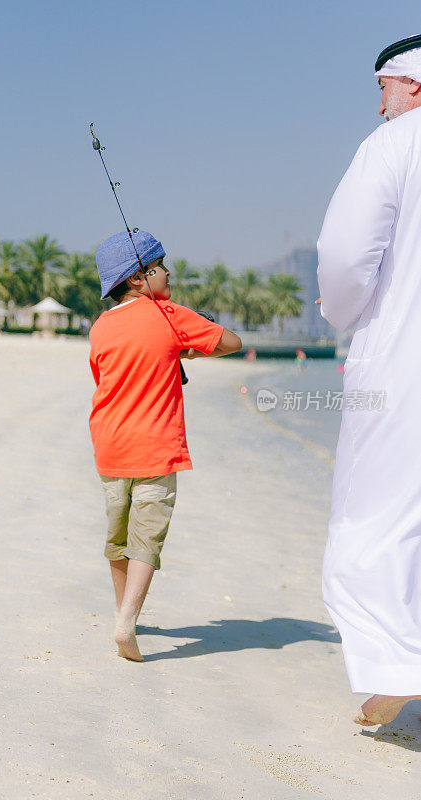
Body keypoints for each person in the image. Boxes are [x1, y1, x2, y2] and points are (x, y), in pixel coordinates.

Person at [316, 34, 421, 726]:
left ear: (409, 84)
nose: (379, 105)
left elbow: (346, 256)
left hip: (403, 366)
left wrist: (342, 317)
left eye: (382, 88)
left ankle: (399, 663)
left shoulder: (391, 146)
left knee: (373, 524)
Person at [89, 230, 242, 661]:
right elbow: (232, 342)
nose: (169, 271)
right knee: (146, 539)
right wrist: (189, 350)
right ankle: (126, 624)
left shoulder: (100, 327)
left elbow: (107, 379)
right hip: (155, 447)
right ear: (139, 278)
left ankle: (123, 612)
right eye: (160, 265)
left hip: (110, 446)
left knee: (118, 533)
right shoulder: (171, 315)